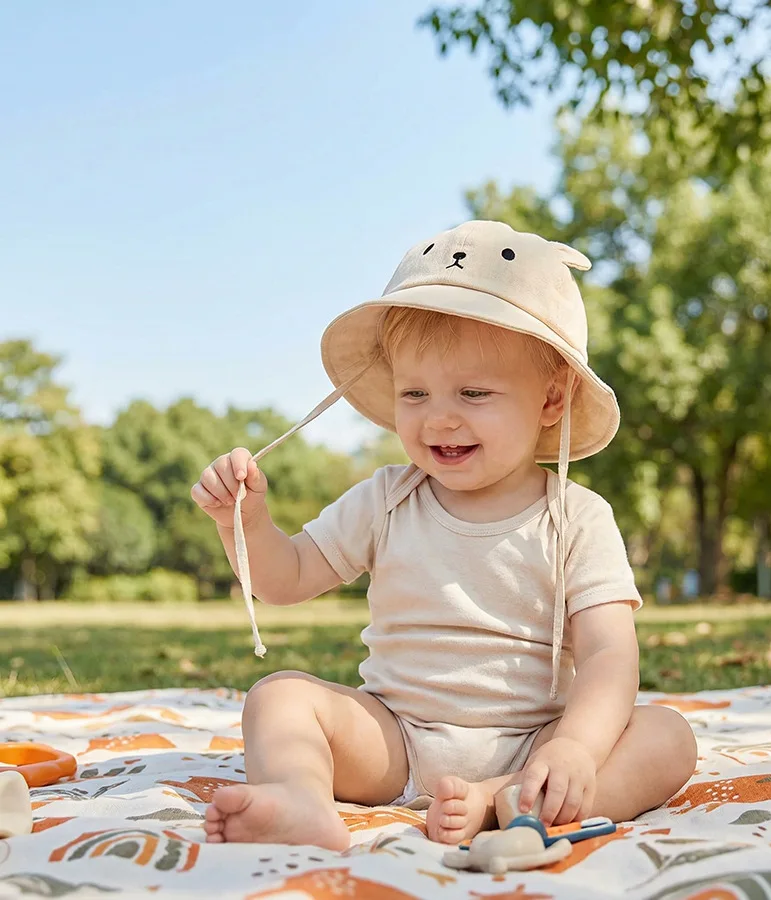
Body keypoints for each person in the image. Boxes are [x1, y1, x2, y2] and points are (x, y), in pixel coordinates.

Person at [192, 220, 697, 851]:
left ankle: (514, 801)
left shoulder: (578, 517)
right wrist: (244, 522)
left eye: (474, 392)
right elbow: (285, 579)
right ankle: (300, 799)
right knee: (279, 698)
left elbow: (607, 656)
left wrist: (573, 748)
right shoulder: (387, 496)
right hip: (395, 738)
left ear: (550, 400)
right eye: (415, 392)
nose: (440, 416)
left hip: (534, 741)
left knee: (667, 736)